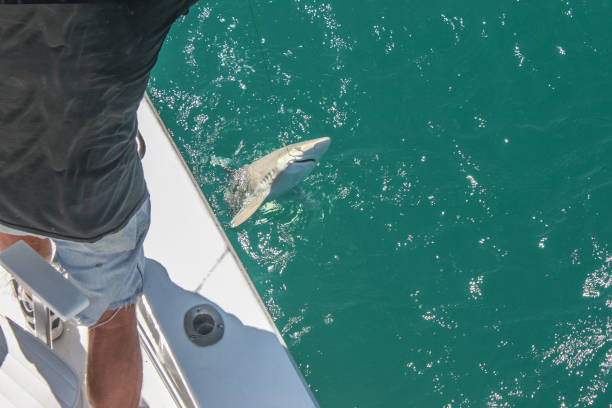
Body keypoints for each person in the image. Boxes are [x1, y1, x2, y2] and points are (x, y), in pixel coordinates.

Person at [0, 2, 196, 407]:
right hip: (95, 205)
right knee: (112, 322)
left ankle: (40, 302)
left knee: (16, 231)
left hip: (5, 190)